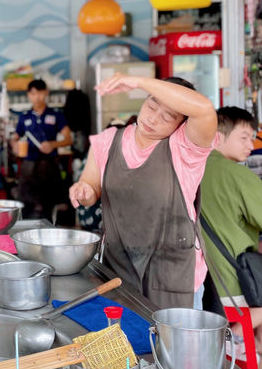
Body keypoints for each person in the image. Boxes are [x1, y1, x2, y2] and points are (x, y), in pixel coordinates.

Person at [69, 75, 217, 310]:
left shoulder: (186, 149)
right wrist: (83, 190)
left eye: (168, 116)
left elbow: (205, 109)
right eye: (151, 105)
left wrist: (138, 80)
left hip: (172, 273)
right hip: (118, 266)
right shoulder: (109, 141)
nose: (154, 118)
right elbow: (91, 188)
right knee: (123, 343)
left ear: (181, 125)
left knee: (172, 346)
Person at [200, 107, 262, 348]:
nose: (250, 144)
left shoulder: (197, 167)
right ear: (218, 137)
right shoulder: (235, 173)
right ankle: (234, 339)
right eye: (243, 137)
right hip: (233, 282)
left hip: (205, 282)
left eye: (252, 137)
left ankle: (249, 346)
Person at [12, 79, 73, 221]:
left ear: (46, 93)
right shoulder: (24, 117)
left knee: (47, 208)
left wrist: (53, 144)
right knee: (26, 207)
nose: (36, 97)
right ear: (29, 95)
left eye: (40, 93)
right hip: (28, 167)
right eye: (33, 93)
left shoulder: (56, 115)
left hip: (49, 167)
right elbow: (14, 138)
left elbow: (69, 139)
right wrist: (14, 144)